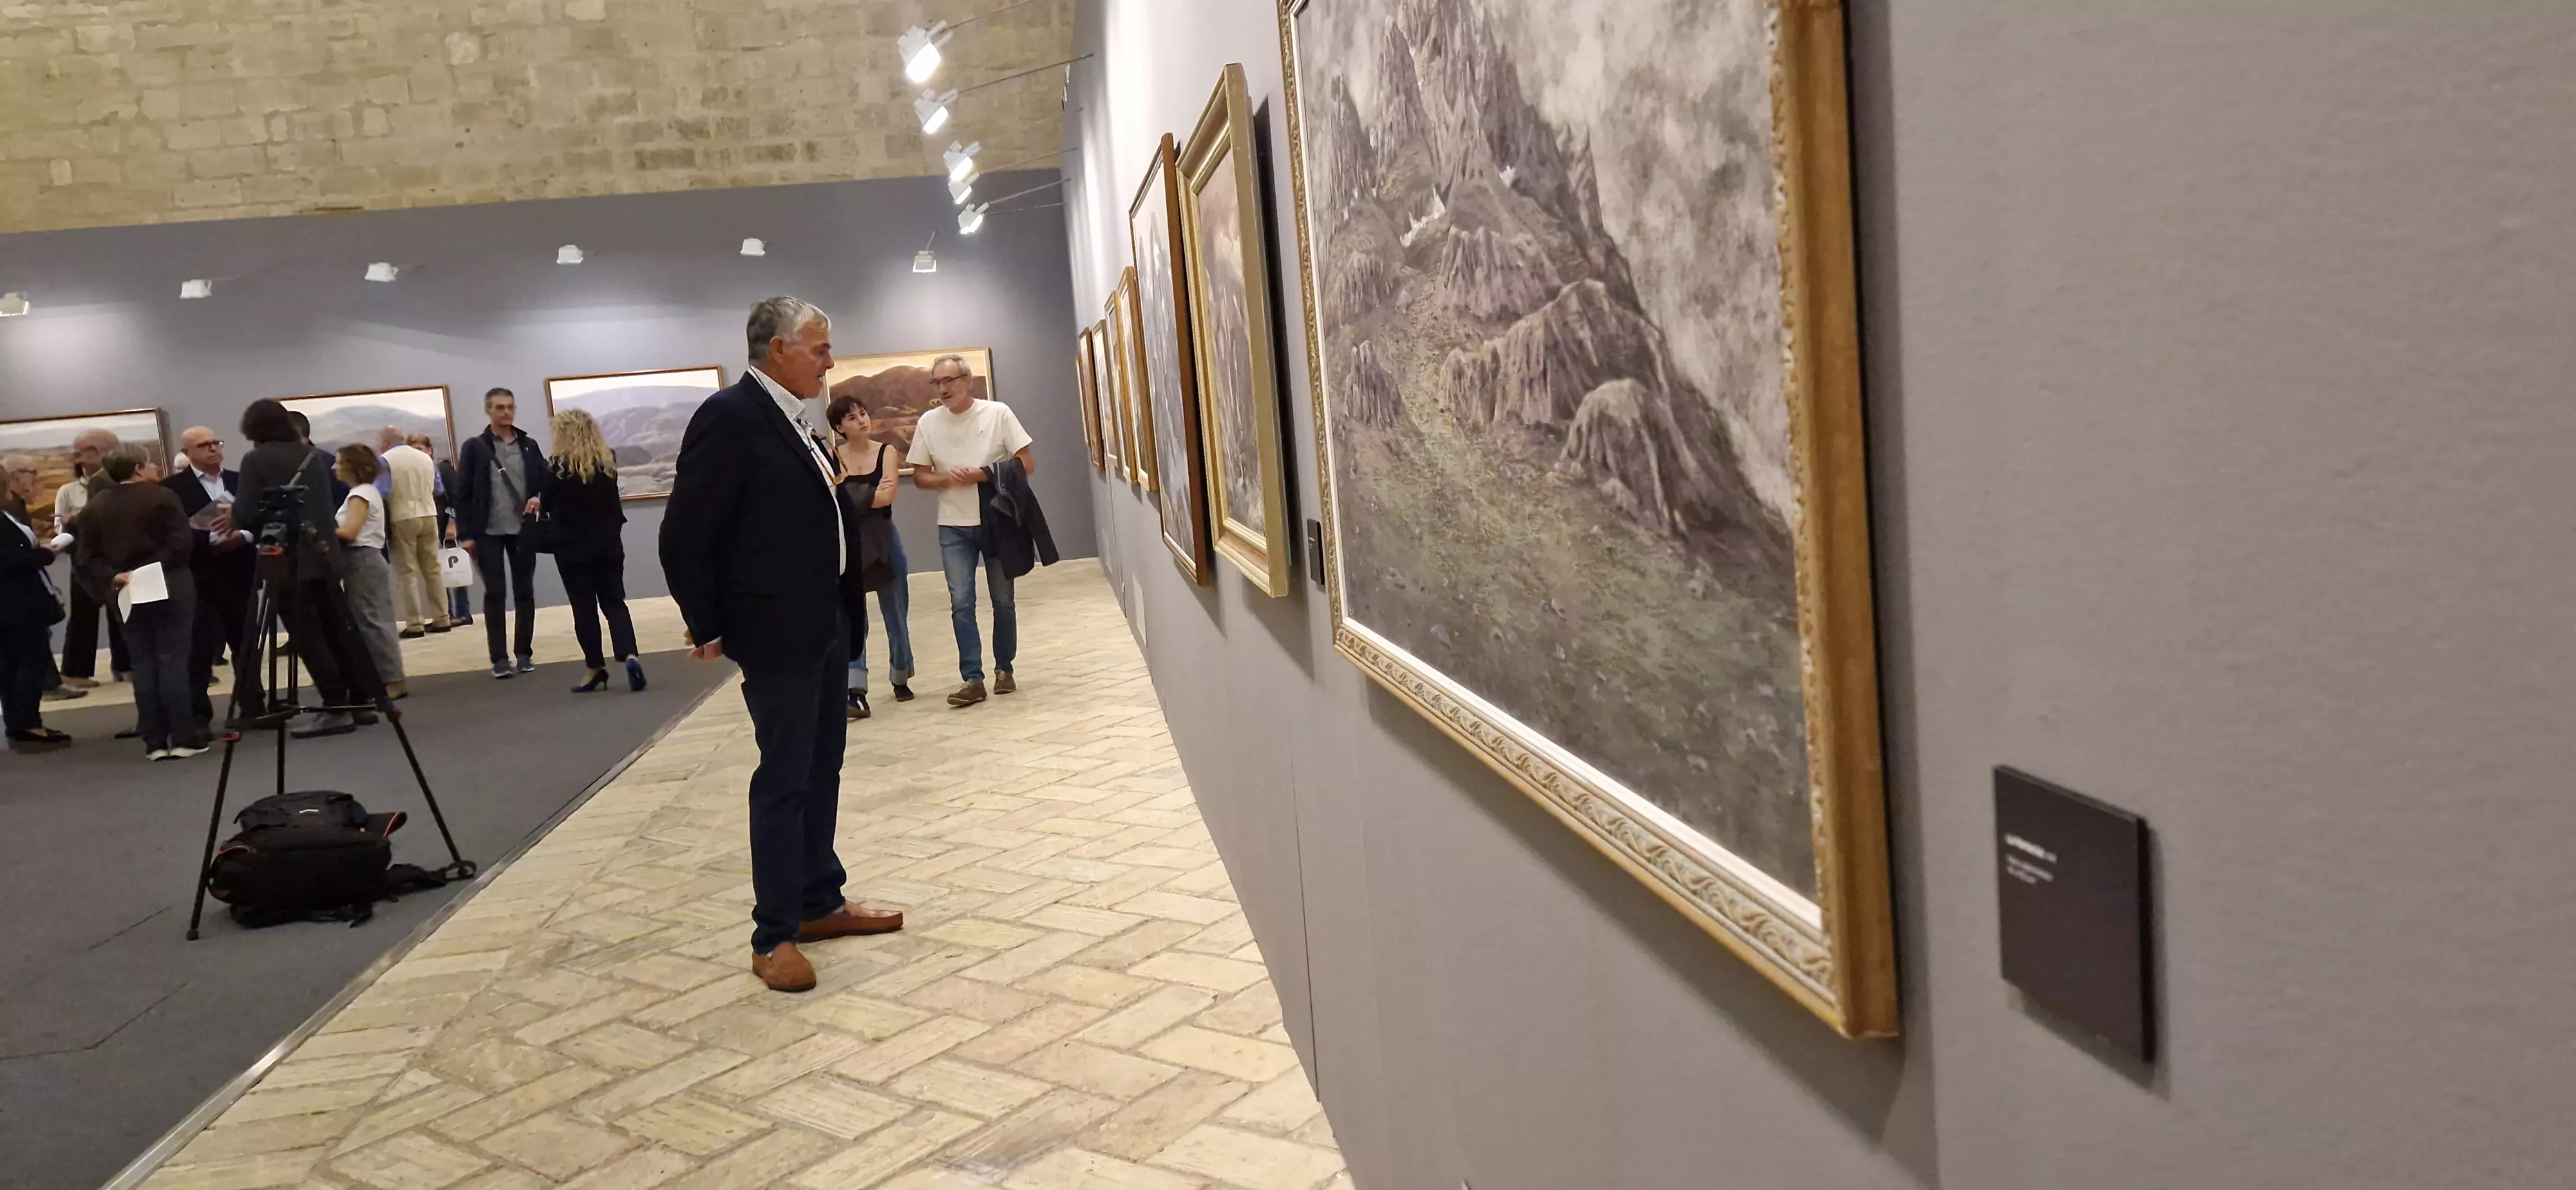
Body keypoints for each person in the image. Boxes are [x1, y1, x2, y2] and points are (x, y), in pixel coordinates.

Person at [661, 296, 905, 994]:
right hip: (775, 628)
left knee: (821, 763)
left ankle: (818, 901)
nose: (831, 362)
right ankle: (773, 936)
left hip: (822, 618)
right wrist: (706, 621)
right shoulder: (731, 417)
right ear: (778, 351)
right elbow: (685, 532)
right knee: (784, 776)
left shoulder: (792, 420)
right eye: (820, 349)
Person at [236, 398, 375, 739]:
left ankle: (334, 704)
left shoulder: (256, 459)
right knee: (337, 628)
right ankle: (360, 700)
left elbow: (245, 514)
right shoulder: (313, 456)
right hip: (324, 555)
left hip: (286, 559)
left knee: (307, 636)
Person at [907, 352, 1035, 708]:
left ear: (968, 381)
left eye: (948, 380)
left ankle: (1004, 670)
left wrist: (982, 475)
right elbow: (919, 476)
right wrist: (946, 478)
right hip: (953, 525)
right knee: (961, 604)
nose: (942, 388)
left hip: (995, 520)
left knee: (1002, 600)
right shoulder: (929, 423)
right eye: (937, 382)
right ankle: (972, 679)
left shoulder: (998, 413)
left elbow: (1026, 463)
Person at [72, 443, 208, 759]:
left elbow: (86, 557)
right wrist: (151, 568)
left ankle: (155, 742)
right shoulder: (161, 496)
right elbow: (180, 543)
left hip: (125, 590)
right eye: (150, 465)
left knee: (143, 663)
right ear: (137, 468)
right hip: (168, 583)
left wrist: (116, 575)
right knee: (173, 659)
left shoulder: (96, 506)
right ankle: (184, 738)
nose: (155, 470)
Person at [164, 426, 263, 727]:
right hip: (199, 577)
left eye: (216, 443)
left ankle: (253, 707)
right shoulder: (172, 489)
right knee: (198, 650)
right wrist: (209, 541)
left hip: (241, 573)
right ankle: (197, 715)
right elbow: (172, 534)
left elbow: (261, 519)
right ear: (187, 453)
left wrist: (243, 536)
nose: (212, 449)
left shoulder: (241, 481)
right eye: (203, 445)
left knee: (246, 644)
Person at [545, 408, 646, 694]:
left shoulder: (554, 467)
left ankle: (595, 668)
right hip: (608, 544)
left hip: (571, 547)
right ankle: (630, 656)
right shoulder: (607, 461)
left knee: (584, 607)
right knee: (615, 603)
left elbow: (549, 505)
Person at [827, 394, 914, 717]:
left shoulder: (886, 451)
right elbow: (834, 501)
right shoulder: (834, 456)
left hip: (884, 538)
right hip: (850, 543)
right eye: (851, 418)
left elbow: (887, 496)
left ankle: (901, 675)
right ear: (839, 427)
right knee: (854, 618)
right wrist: (866, 496)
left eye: (863, 413)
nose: (861, 420)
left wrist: (852, 495)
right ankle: (855, 690)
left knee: (896, 614)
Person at [455, 388, 547, 679]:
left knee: (525, 591)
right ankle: (499, 658)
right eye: (499, 408)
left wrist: (540, 497)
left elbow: (544, 481)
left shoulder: (529, 445)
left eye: (509, 407)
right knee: (495, 592)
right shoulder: (475, 447)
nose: (505, 413)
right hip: (488, 531)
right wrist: (466, 534)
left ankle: (524, 653)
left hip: (523, 528)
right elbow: (463, 492)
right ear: (489, 411)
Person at [2, 454, 71, 748]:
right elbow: (10, 560)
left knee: (11, 665)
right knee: (29, 663)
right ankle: (28, 724)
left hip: (15, 602)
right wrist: (46, 554)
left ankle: (20, 724)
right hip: (15, 604)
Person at [53, 428, 130, 689]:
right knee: (83, 614)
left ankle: (125, 664)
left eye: (84, 450)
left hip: (117, 557)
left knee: (122, 610)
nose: (77, 456)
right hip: (84, 558)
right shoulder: (68, 490)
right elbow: (60, 526)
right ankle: (76, 671)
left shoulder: (119, 485)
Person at [331, 446, 408, 699]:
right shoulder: (364, 492)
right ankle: (385, 678)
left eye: (339, 463)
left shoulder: (361, 495)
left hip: (362, 560)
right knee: (371, 621)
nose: (335, 468)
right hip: (365, 561)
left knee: (374, 624)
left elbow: (350, 532)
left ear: (353, 467)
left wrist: (319, 529)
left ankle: (392, 681)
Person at [377, 426, 450, 639]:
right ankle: (442, 618)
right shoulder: (426, 458)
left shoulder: (385, 460)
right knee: (433, 570)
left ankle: (415, 623)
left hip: (402, 516)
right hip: (429, 515)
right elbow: (439, 490)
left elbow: (382, 491)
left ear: (386, 442)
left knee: (407, 572)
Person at [428, 437, 473, 628]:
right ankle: (446, 614)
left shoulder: (443, 469)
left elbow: (457, 498)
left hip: (448, 526)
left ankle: (462, 613)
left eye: (420, 447)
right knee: (437, 572)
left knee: (456, 569)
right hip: (431, 528)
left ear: (430, 449)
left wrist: (453, 524)